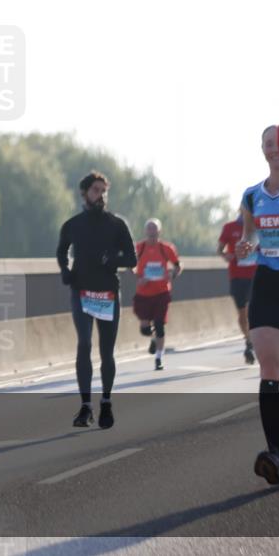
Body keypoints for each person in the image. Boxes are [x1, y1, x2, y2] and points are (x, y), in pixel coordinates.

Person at [237, 124, 279, 488]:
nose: (272, 149)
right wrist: (247, 245)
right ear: (261, 149)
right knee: (268, 365)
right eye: (267, 144)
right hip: (267, 279)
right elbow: (250, 234)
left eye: (277, 144)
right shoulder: (251, 195)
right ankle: (274, 454)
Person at [57, 171, 138, 429]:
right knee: (83, 344)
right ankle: (85, 406)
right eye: (95, 190)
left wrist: (112, 260)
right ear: (84, 193)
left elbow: (132, 259)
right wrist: (66, 271)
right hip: (81, 292)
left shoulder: (116, 224)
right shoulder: (72, 224)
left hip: (107, 294)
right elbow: (61, 250)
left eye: (104, 191)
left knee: (106, 351)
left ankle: (105, 402)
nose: (100, 195)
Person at [133, 219, 182, 371]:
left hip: (162, 292)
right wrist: (139, 278)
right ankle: (153, 338)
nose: (152, 232)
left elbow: (178, 266)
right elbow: (130, 266)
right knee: (144, 329)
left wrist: (172, 274)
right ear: (145, 231)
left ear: (159, 231)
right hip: (143, 293)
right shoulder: (139, 248)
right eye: (149, 229)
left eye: (154, 229)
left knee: (160, 325)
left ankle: (159, 358)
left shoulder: (166, 248)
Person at [217, 213, 257, 364]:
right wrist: (225, 255)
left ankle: (254, 340)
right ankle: (248, 341)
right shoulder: (229, 228)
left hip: (256, 275)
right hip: (237, 276)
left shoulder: (259, 225)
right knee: (242, 313)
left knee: (251, 308)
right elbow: (219, 249)